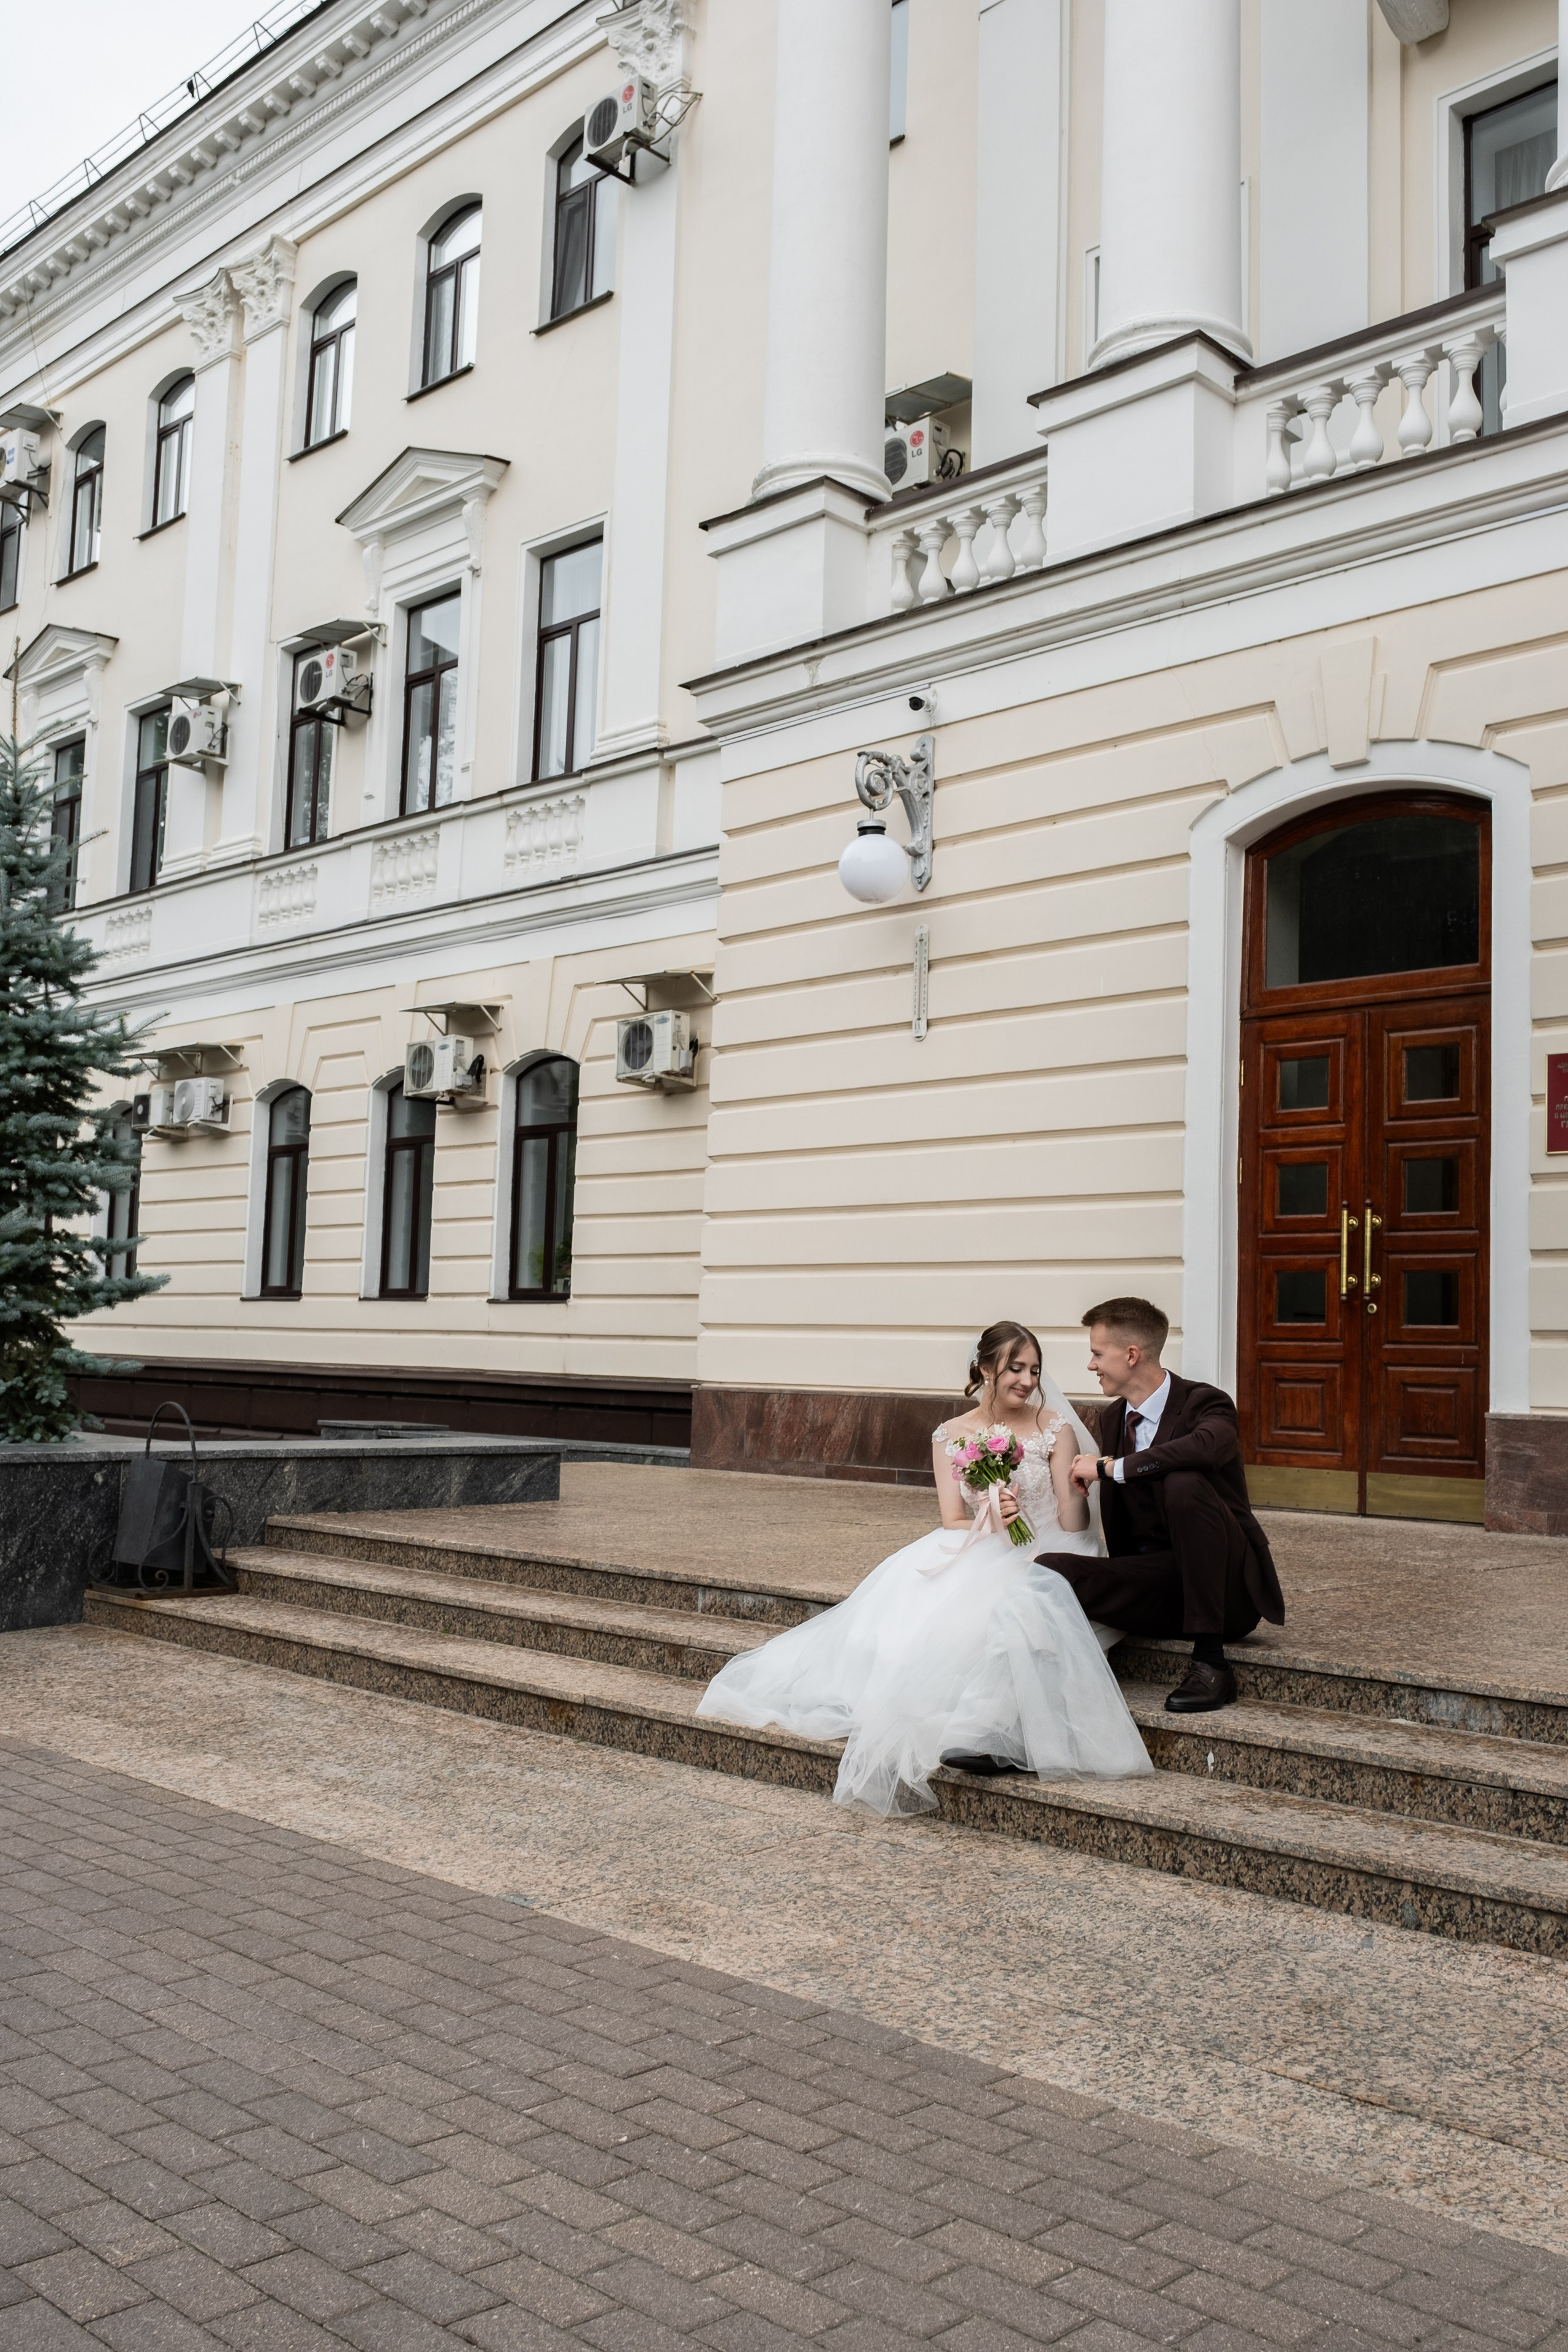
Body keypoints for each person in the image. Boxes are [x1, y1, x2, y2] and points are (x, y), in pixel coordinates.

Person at [696, 1321, 1153, 1817]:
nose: (1026, 1380)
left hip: (1049, 1546)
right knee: (909, 1622)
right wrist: (993, 1516)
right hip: (983, 1543)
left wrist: (1077, 1495)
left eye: (1035, 1370)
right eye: (1015, 1368)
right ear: (985, 1369)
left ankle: (981, 1724)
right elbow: (951, 1518)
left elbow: (1073, 1521)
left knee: (1001, 1616)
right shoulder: (951, 1435)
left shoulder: (1055, 1429)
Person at [1038, 1297, 1284, 1714]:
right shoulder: (1114, 1418)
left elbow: (1204, 1449)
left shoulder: (1207, 1404)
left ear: (1131, 1355)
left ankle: (1210, 1664)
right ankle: (1041, 1701)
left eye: (1098, 1353)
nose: (1091, 1365)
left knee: (1183, 1483)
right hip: (1160, 1586)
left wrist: (1113, 1468)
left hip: (1226, 1592)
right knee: (1050, 1570)